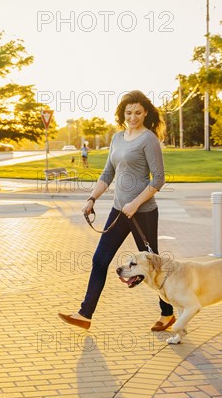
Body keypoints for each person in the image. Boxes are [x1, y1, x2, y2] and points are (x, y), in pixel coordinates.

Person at [58, 90, 175, 332]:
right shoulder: (117, 138)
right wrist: (92, 198)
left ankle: (168, 313)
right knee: (99, 259)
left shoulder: (149, 139)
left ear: (145, 113)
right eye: (129, 112)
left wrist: (135, 203)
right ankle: (84, 314)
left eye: (138, 113)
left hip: (142, 213)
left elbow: (159, 179)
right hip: (119, 209)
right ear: (122, 114)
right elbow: (108, 173)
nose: (133, 117)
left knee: (152, 265)